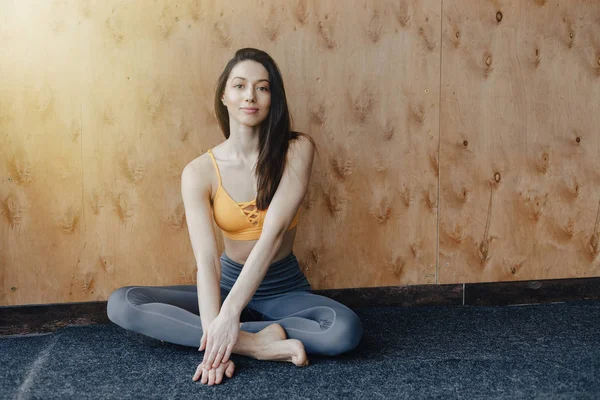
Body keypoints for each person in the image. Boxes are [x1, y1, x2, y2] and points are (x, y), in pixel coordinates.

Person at [107, 48, 364, 386]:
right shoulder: (198, 172)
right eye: (240, 86)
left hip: (282, 288)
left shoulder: (297, 150)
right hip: (227, 283)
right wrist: (225, 321)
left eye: (262, 87)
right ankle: (256, 343)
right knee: (123, 303)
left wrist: (228, 317)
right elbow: (207, 263)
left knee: (344, 331)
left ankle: (227, 333)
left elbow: (272, 236)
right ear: (224, 96)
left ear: (273, 98)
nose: (250, 96)